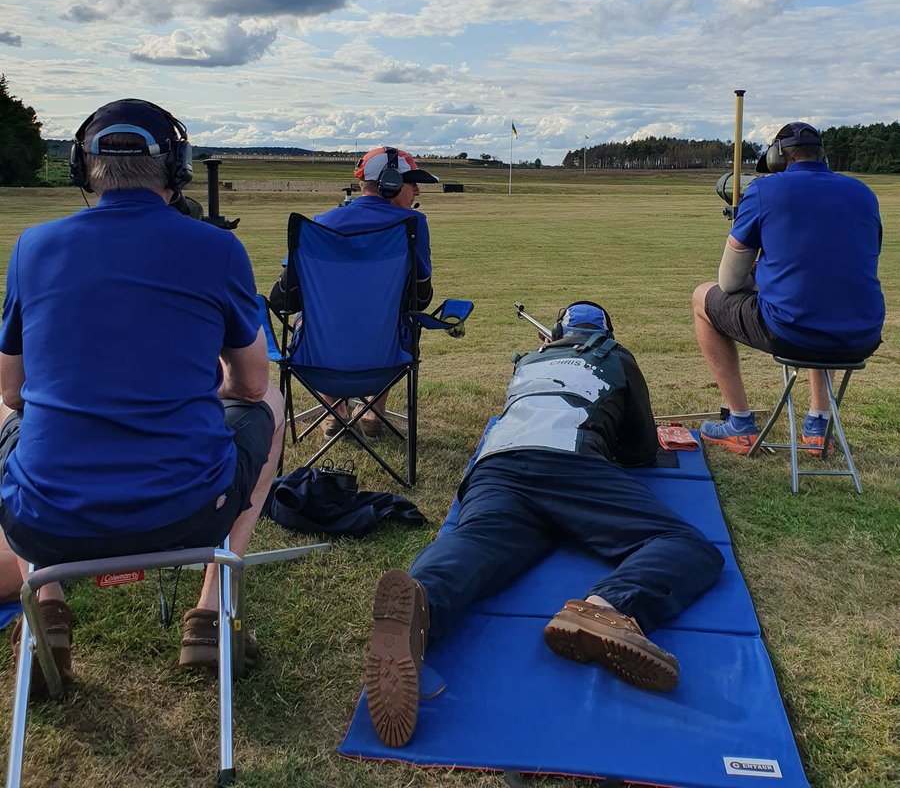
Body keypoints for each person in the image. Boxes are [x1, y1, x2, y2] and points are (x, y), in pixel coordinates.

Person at [0, 98, 284, 691]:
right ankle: (211, 611)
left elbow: (13, 391)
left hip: (46, 523)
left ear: (83, 169)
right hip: (187, 514)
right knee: (273, 404)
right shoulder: (217, 249)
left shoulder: (31, 248)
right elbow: (252, 384)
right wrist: (214, 392)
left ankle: (46, 604)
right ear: (176, 168)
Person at [362, 303, 724, 748]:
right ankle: (605, 608)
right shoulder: (616, 355)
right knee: (684, 544)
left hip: (494, 466)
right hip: (570, 462)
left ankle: (424, 601)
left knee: (477, 543)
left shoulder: (529, 362)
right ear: (607, 330)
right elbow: (641, 450)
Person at [693, 121, 885, 454]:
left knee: (702, 297)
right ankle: (817, 426)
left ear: (779, 157)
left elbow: (729, 282)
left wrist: (761, 274)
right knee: (819, 301)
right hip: (862, 335)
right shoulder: (863, 193)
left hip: (793, 331)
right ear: (822, 154)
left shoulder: (765, 191)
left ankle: (739, 423)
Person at [271, 146, 438, 439]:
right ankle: (373, 412)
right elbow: (420, 299)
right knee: (403, 321)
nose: (417, 192)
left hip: (317, 362)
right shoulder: (412, 225)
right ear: (391, 182)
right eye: (412, 183)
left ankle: (334, 410)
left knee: (313, 317)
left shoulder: (319, 223)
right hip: (385, 361)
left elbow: (282, 297)